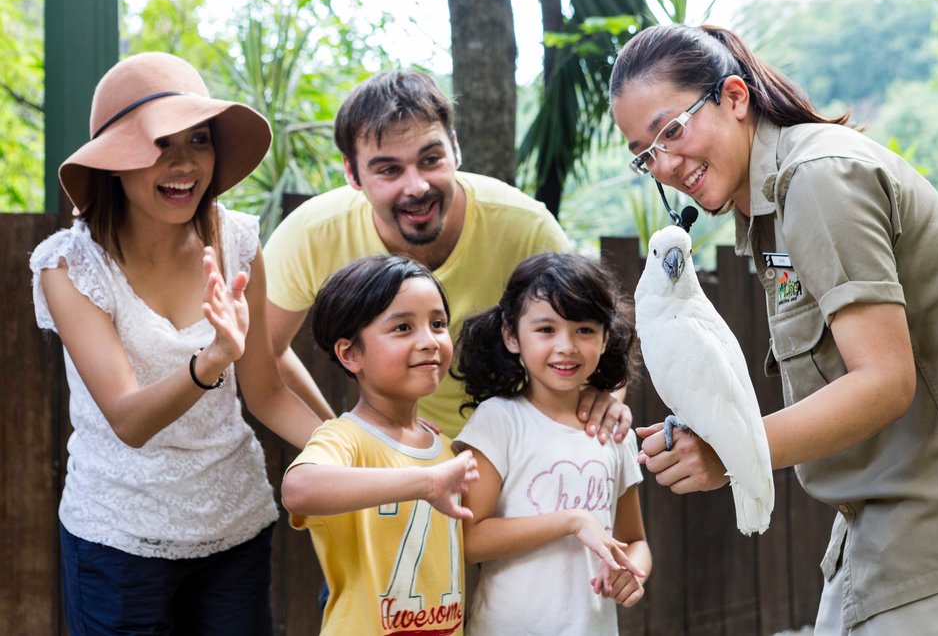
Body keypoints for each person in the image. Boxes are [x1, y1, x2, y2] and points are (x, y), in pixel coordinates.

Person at [609, 23, 938, 634]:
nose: (664, 163)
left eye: (671, 130)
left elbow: (885, 381)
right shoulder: (771, 209)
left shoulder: (817, 179)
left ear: (734, 98)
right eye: (644, 154)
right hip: (877, 543)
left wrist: (731, 453)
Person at [28, 52, 324, 634]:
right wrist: (213, 359)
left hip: (233, 527)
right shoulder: (68, 266)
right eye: (162, 144)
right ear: (115, 162)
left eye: (200, 140)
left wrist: (364, 456)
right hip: (117, 541)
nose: (185, 163)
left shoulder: (237, 239)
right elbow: (128, 420)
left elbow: (266, 394)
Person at [263, 69, 631, 442]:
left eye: (430, 159)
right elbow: (264, 359)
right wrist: (345, 448)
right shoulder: (312, 233)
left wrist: (606, 397)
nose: (417, 186)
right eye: (389, 170)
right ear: (352, 173)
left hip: (515, 455)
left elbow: (600, 330)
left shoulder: (525, 226)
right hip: (393, 471)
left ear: (454, 148)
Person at [452, 252, 652, 634]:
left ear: (606, 338)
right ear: (512, 336)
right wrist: (571, 521)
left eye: (585, 330)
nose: (567, 346)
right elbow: (467, 538)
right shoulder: (498, 421)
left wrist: (634, 572)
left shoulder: (611, 430)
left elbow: (634, 540)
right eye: (546, 330)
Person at [281, 255, 479, 635]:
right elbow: (298, 489)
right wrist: (425, 482)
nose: (429, 341)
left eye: (437, 324)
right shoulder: (345, 437)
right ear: (350, 354)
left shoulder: (446, 449)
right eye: (403, 327)